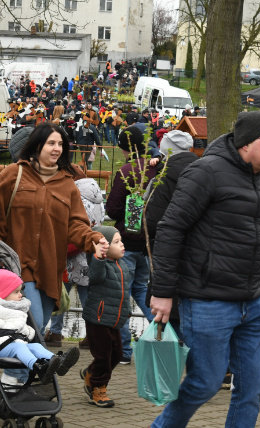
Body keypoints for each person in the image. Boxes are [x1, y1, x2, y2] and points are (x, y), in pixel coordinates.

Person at [149, 111, 260, 427]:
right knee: (205, 383)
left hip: (252, 305)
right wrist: (163, 292)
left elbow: (258, 241)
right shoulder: (205, 172)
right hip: (208, 301)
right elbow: (170, 229)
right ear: (247, 144)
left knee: (251, 390)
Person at [0, 122, 105, 335]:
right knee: (33, 323)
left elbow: (76, 224)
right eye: (51, 143)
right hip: (18, 265)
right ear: (37, 145)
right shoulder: (13, 174)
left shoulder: (67, 184)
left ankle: (14, 368)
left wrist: (93, 240)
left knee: (39, 324)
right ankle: (23, 368)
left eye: (60, 144)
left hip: (50, 268)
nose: (57, 148)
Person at [0, 267, 80, 384]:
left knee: (36, 346)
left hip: (18, 342)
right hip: (1, 345)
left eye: (20, 291)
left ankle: (57, 361)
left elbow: (21, 326)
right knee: (20, 348)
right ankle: (38, 368)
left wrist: (28, 331)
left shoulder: (15, 305)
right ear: (2, 292)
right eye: (16, 292)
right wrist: (5, 325)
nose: (20, 295)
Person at [106, 126, 157, 364]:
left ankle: (125, 351)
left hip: (127, 242)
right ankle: (164, 334)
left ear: (124, 148)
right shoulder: (157, 168)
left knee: (122, 296)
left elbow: (113, 208)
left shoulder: (128, 171)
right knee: (141, 292)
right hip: (148, 243)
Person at [143, 130, 197, 336]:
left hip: (165, 254)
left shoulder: (164, 177)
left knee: (166, 322)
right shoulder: (202, 171)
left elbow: (153, 221)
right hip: (195, 255)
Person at [44, 175, 105, 347]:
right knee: (87, 299)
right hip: (90, 256)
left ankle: (55, 332)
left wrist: (61, 248)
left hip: (71, 258)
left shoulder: (79, 201)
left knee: (60, 295)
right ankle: (92, 334)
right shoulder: (98, 200)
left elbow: (74, 230)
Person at [81, 226, 130, 408]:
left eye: (121, 241)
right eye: (116, 242)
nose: (122, 245)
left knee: (117, 354)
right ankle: (98, 389)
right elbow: (95, 277)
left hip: (115, 320)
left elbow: (122, 292)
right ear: (104, 248)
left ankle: (90, 372)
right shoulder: (99, 263)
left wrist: (126, 311)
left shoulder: (121, 264)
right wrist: (98, 257)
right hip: (98, 319)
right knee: (104, 357)